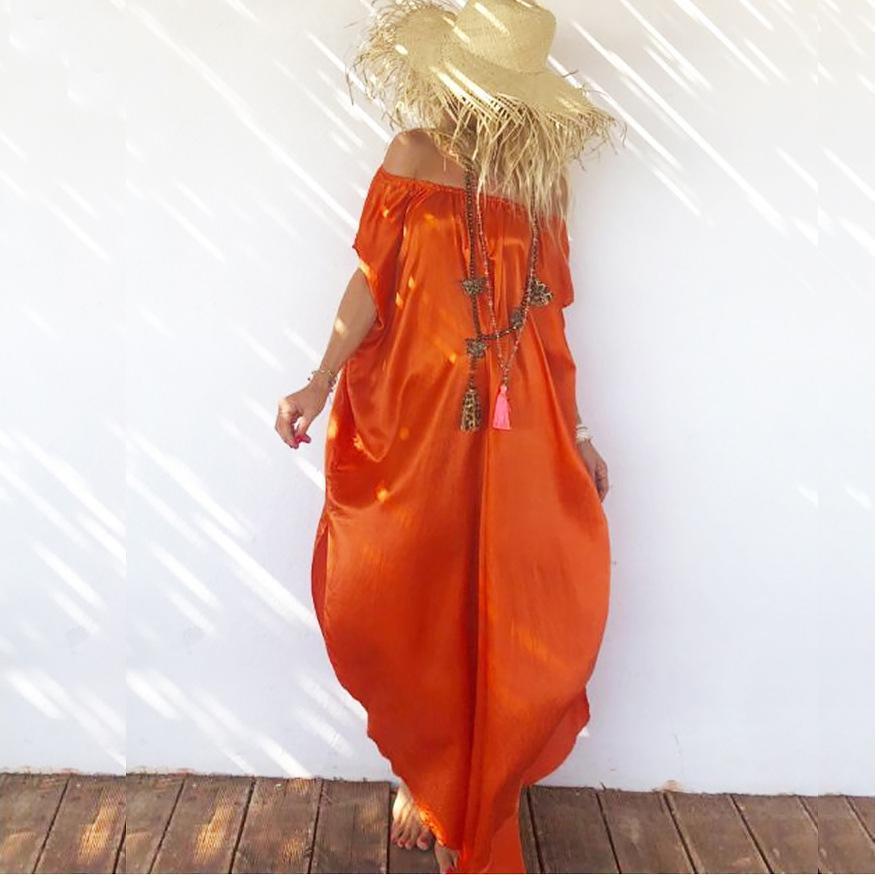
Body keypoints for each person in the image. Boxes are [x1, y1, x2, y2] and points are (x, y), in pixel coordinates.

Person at [275, 1, 623, 871]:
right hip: (417, 415)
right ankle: (426, 768)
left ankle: (479, 783)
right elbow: (370, 281)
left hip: (517, 422)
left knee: (513, 599)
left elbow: (547, 324)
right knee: (415, 587)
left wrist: (577, 428)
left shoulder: (542, 182)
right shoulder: (413, 154)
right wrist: (319, 379)